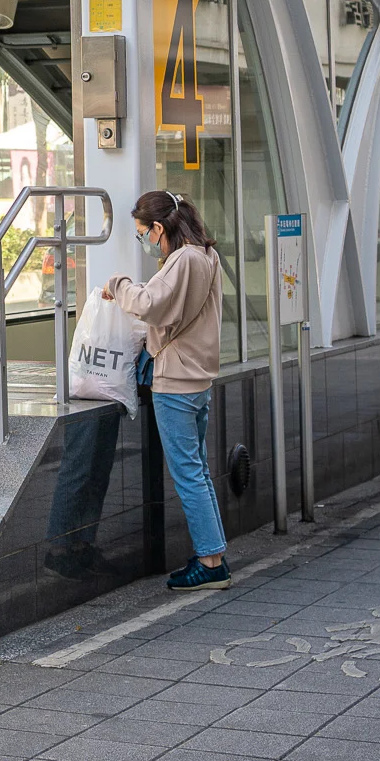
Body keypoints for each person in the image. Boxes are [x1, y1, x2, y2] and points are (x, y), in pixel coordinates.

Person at [102, 189, 229, 591]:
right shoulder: (206, 255)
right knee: (199, 471)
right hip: (197, 377)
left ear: (159, 227)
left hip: (175, 381)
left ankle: (211, 564)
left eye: (143, 233)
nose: (144, 241)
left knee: (188, 473)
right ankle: (213, 553)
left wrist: (118, 284)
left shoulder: (183, 259)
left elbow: (149, 304)